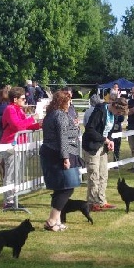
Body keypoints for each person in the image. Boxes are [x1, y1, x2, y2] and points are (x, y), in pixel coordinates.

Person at [40, 90, 81, 232]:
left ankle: (56, 221)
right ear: (63, 102)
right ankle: (52, 220)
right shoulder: (61, 115)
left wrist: (75, 126)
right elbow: (63, 138)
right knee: (67, 187)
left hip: (50, 152)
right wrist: (65, 158)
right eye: (69, 101)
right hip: (60, 153)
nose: (70, 104)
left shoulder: (50, 115)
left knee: (60, 188)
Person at [82, 96, 129, 212]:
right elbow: (90, 129)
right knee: (94, 175)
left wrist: (110, 140)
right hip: (92, 146)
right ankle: (92, 203)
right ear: (113, 106)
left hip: (103, 147)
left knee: (104, 174)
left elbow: (108, 131)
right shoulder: (99, 111)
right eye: (118, 112)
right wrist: (105, 140)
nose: (118, 114)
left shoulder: (113, 115)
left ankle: (102, 201)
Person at [0, 87, 42, 209]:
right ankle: (8, 201)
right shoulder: (10, 109)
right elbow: (18, 126)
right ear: (15, 99)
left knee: (18, 173)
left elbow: (25, 126)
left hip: (20, 145)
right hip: (11, 145)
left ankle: (14, 198)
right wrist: (32, 119)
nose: (25, 100)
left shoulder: (19, 109)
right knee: (11, 174)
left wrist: (38, 125)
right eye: (23, 98)